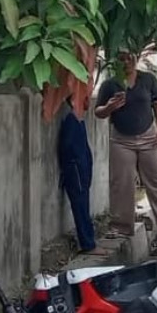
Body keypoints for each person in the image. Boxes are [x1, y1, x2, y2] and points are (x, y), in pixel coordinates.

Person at [95, 50, 157, 242]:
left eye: (131, 57)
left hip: (148, 136)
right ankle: (121, 226)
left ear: (136, 59)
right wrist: (109, 107)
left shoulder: (148, 80)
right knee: (121, 183)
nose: (127, 61)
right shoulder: (109, 84)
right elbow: (99, 112)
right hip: (121, 139)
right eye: (122, 58)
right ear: (116, 62)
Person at [57, 104, 96, 253]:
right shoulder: (71, 122)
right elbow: (66, 149)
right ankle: (87, 244)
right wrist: (74, 167)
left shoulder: (78, 121)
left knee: (84, 205)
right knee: (80, 206)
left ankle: (89, 242)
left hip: (81, 170)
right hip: (76, 171)